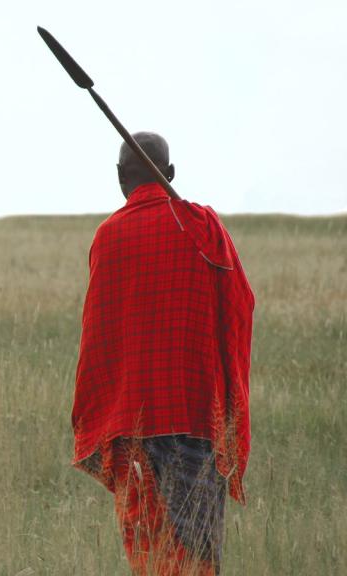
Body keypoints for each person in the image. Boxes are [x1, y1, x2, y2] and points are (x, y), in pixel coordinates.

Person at [71, 132, 254, 575]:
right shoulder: (203, 227)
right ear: (170, 173)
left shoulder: (108, 236)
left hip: (129, 423)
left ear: (120, 177)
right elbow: (241, 306)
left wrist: (96, 414)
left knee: (151, 554)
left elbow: (97, 338)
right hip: (197, 418)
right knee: (198, 553)